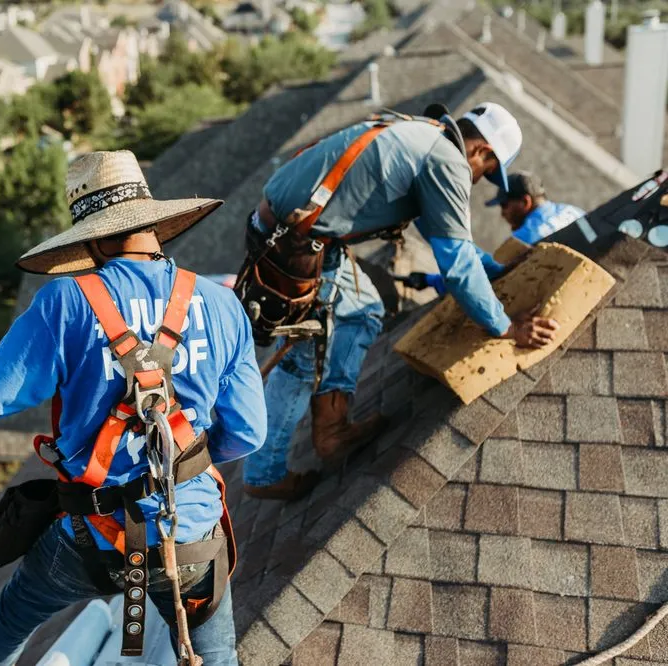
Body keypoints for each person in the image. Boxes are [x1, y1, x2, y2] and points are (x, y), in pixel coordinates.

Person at [0, 150, 267, 666]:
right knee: (216, 659)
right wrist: (177, 466)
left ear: (92, 237)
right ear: (148, 222)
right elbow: (248, 434)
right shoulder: (221, 304)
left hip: (91, 539)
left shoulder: (66, 302)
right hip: (189, 539)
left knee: (11, 620)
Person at [242, 102, 560, 502]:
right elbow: (456, 265)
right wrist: (506, 327)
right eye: (487, 173)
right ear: (482, 153)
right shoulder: (448, 161)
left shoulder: (423, 134)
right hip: (297, 244)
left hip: (291, 232)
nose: (479, 181)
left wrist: (495, 269)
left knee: (356, 314)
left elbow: (438, 229)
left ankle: (319, 435)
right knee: (317, 347)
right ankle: (276, 464)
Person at [412, 171, 586, 294]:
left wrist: (431, 280)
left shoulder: (526, 238)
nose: (503, 214)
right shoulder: (574, 211)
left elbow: (482, 276)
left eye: (505, 205)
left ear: (525, 202)